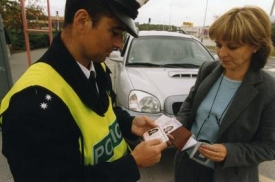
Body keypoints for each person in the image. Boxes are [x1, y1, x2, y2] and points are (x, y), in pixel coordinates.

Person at [0, 0, 167, 181]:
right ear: (82, 21)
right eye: (115, 32)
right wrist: (132, 164)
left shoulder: (96, 66)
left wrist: (129, 124)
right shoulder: (32, 105)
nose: (119, 44)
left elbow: (102, 114)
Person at [174, 6, 275, 182]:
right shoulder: (208, 69)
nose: (221, 53)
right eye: (219, 44)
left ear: (256, 46)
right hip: (187, 166)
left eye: (232, 47)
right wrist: (174, 128)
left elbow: (269, 146)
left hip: (228, 175)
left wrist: (230, 152)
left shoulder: (268, 90)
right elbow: (188, 106)